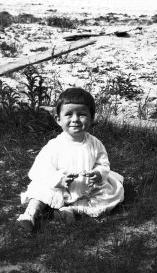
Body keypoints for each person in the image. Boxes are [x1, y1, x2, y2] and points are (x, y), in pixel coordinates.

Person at [17, 87, 124, 231]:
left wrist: (98, 173)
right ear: (58, 119)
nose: (75, 119)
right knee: (40, 190)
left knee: (110, 194)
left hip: (86, 188)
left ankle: (72, 210)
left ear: (91, 118)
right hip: (59, 187)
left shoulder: (95, 144)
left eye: (81, 114)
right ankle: (29, 215)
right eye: (69, 114)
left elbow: (103, 163)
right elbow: (41, 170)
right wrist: (58, 180)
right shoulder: (54, 145)